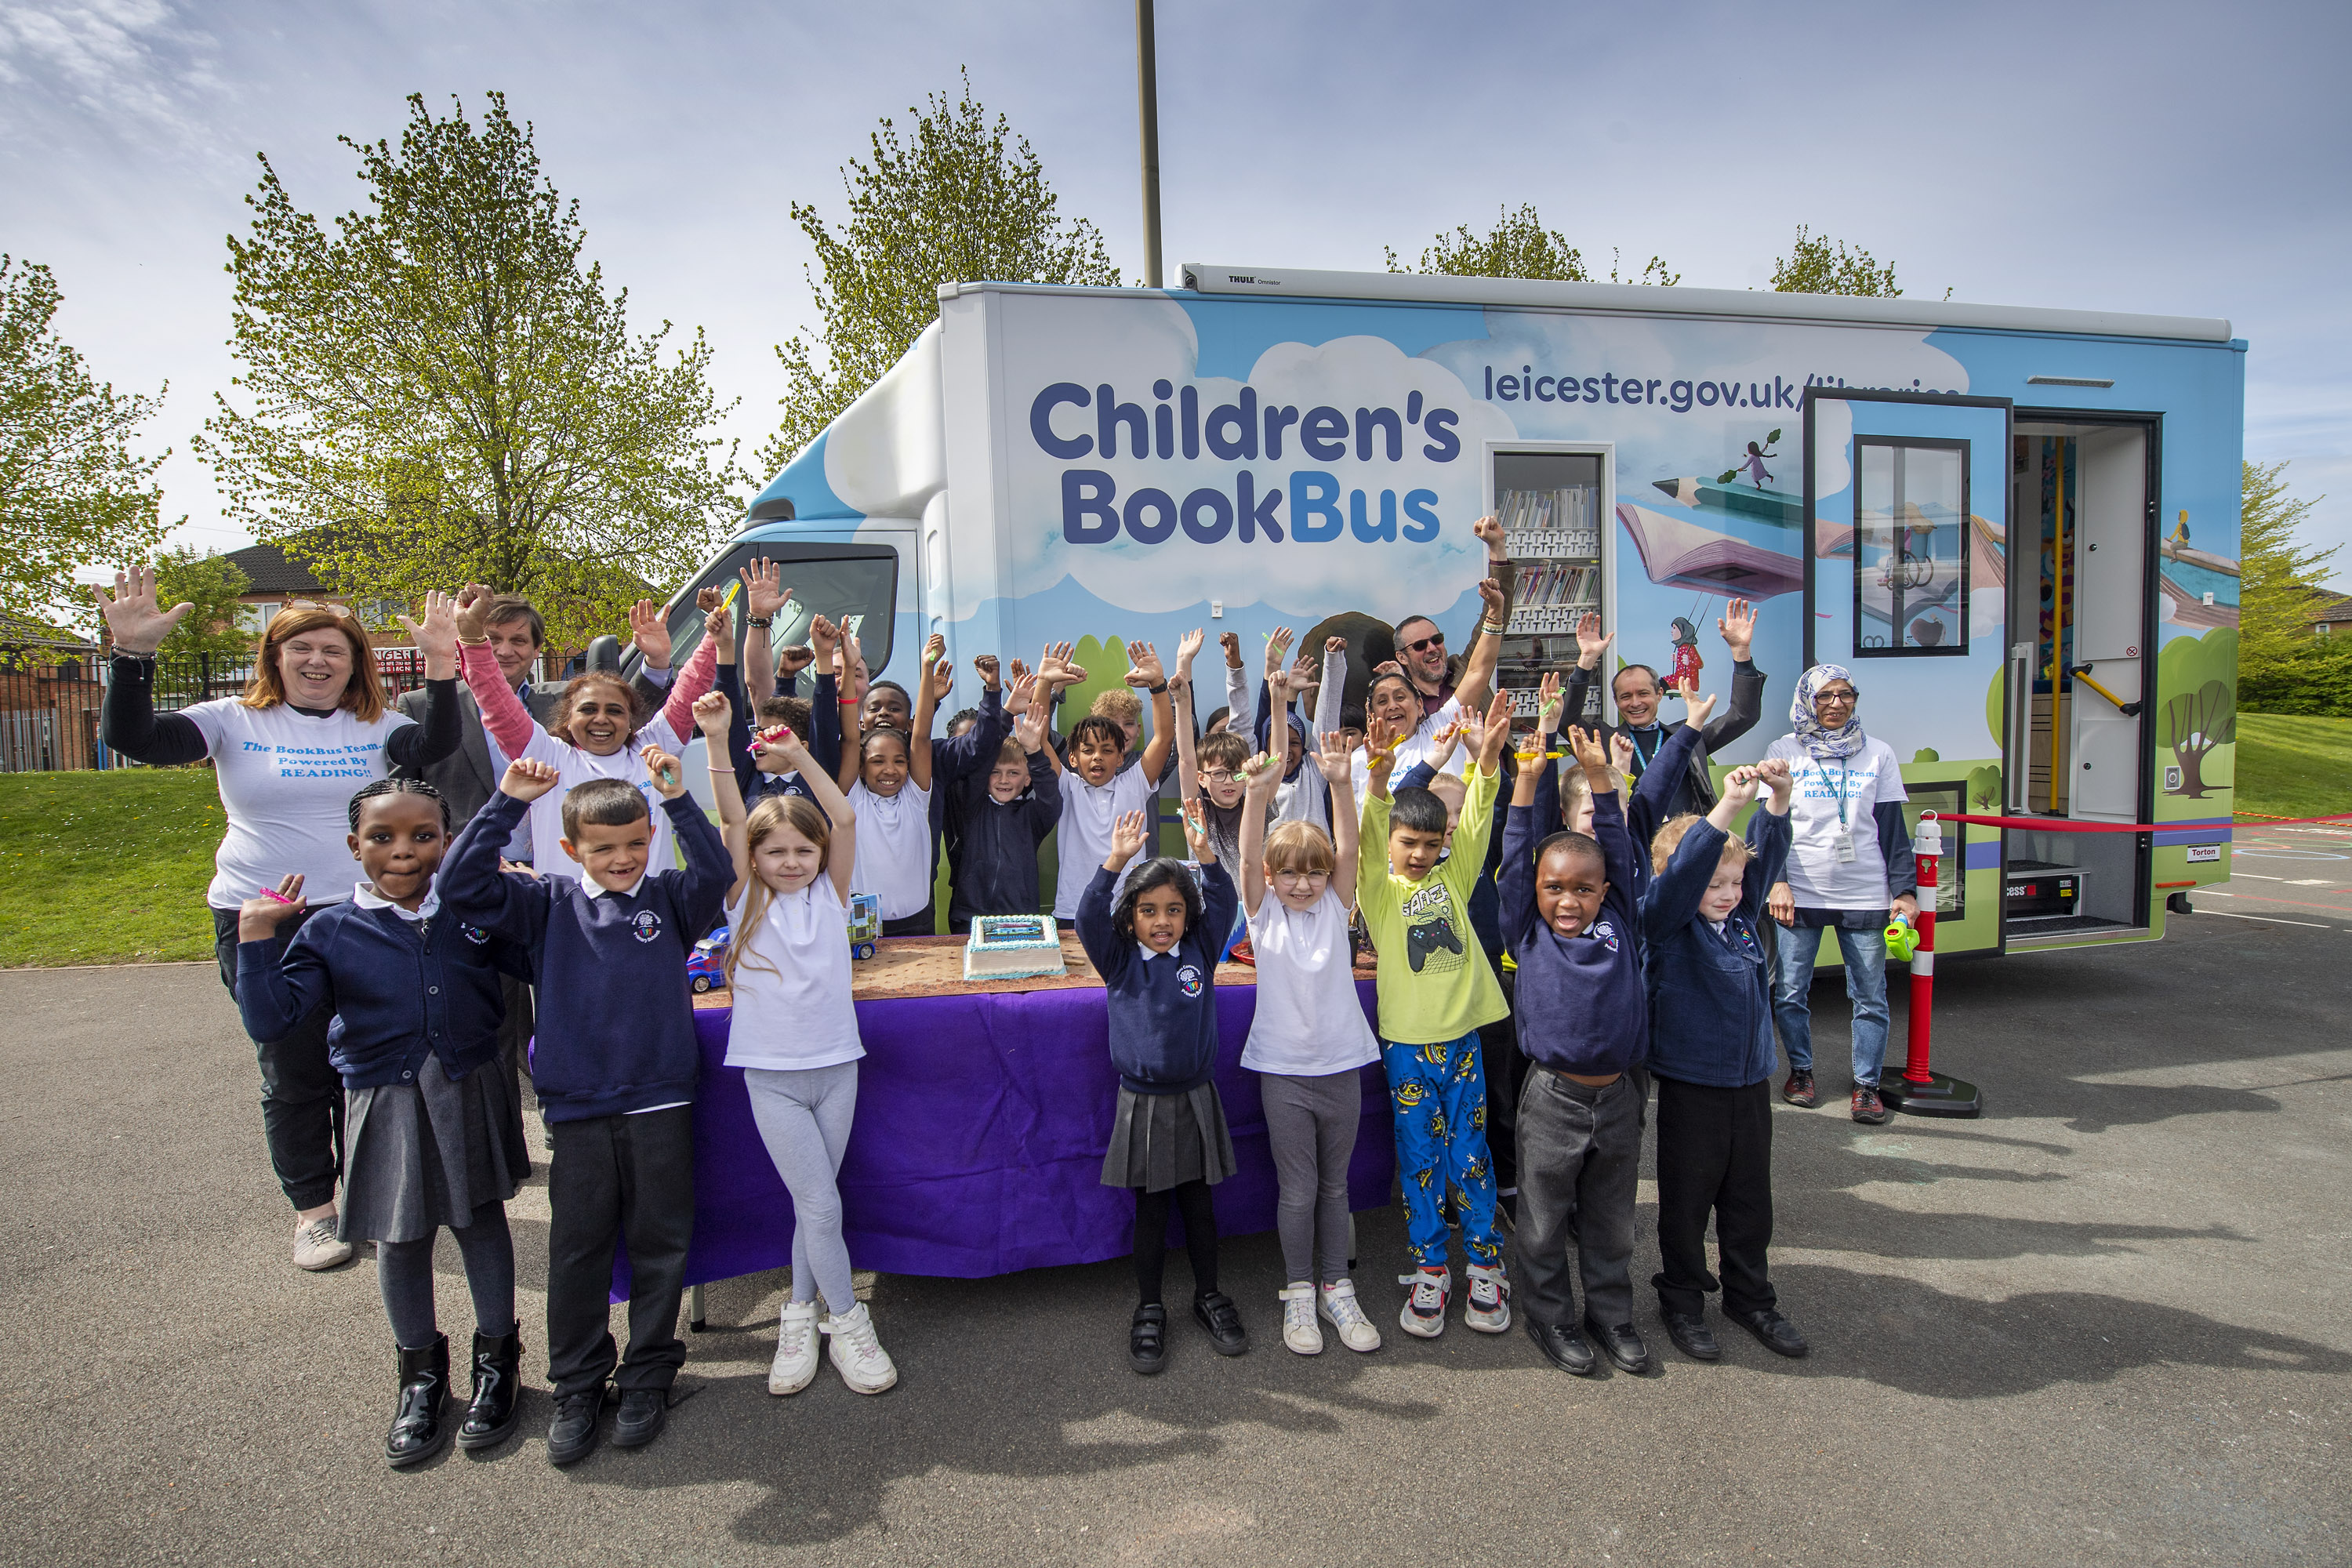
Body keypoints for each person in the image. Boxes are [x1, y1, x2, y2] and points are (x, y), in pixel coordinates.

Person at [96, 568, 465, 1270]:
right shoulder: (230, 720)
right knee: (292, 1068)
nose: (318, 662)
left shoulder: (378, 728)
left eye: (334, 650)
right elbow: (137, 738)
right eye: (302, 649)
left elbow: (436, 745)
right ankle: (315, 1214)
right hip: (263, 920)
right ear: (275, 658)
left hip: (362, 918)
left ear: (356, 663)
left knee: (366, 1060)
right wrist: (131, 659)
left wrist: (443, 668)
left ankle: (370, 1192)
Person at [437, 747, 731, 1466]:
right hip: (577, 1107)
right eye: (604, 848)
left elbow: (718, 875)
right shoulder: (544, 905)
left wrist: (677, 800)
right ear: (572, 850)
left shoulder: (668, 899)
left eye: (636, 844)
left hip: (660, 1099)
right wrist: (506, 801)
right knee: (579, 1249)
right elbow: (461, 886)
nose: (624, 857)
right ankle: (577, 1382)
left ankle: (649, 1373)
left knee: (662, 1240)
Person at [233, 779, 532, 1466]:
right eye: (382, 837)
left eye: (423, 836)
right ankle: (421, 1378)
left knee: (480, 1218)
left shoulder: (469, 911)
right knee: (400, 1238)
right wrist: (255, 935)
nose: (404, 851)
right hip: (385, 1095)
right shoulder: (329, 930)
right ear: (353, 846)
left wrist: (517, 896)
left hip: (470, 1085)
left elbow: (542, 958)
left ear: (448, 843)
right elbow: (273, 1019)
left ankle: (499, 1362)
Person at [695, 691, 898, 1397]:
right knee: (819, 1206)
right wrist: (718, 742)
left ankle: (797, 1314)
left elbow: (840, 813)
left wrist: (798, 756)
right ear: (752, 859)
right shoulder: (745, 902)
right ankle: (846, 1321)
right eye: (774, 851)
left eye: (802, 851)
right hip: (772, 1078)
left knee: (818, 1205)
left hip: (838, 1068)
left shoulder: (832, 898)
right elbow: (728, 815)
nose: (790, 861)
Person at [1358, 691, 1516, 1340]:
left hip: (1463, 1045)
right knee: (1419, 1157)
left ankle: (1484, 1263)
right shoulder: (1377, 890)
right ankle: (1431, 1267)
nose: (1419, 854)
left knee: (1471, 1155)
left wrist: (1489, 761)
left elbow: (1478, 818)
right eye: (1408, 843)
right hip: (1405, 1050)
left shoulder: (1456, 877)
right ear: (1392, 843)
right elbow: (1366, 837)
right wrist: (1375, 773)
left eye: (1430, 843)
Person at [1640, 760, 1806, 1364]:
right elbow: (1681, 883)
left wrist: (1778, 801)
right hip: (1693, 1087)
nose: (1729, 895)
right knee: (1686, 1203)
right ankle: (1682, 1299)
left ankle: (1750, 1296)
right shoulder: (1668, 924)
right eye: (1714, 885)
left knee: (1748, 1201)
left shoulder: (1737, 920)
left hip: (1748, 1085)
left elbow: (1765, 860)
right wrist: (1726, 809)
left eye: (1734, 883)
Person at [1502, 706, 1651, 1377]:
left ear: (1605, 892)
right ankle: (1551, 1316)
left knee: (1611, 1219)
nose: (1569, 900)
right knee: (1540, 1219)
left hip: (1618, 1097)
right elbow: (1511, 861)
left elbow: (1618, 852)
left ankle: (1611, 1316)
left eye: (1583, 889)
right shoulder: (1527, 931)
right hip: (1553, 1098)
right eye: (1555, 888)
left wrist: (1603, 785)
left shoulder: (1619, 920)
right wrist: (1528, 783)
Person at [1076, 806, 1247, 1375]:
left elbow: (1222, 902)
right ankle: (1149, 1306)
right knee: (1150, 1211)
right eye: (1149, 911)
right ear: (1130, 919)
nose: (1162, 921)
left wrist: (1204, 854)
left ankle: (1208, 1294)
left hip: (1197, 1096)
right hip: (1142, 1103)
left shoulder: (1199, 953)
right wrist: (1116, 860)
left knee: (1200, 1205)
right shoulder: (1120, 961)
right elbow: (1086, 920)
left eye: (1174, 910)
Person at [1236, 731, 1384, 1356]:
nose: (1303, 885)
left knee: (1335, 1188)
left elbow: (1348, 848)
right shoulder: (1262, 912)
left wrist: (1344, 784)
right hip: (1282, 1073)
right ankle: (1298, 1292)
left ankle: (1336, 1287)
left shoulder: (1336, 908)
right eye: (1290, 875)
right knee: (1296, 1189)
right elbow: (1245, 860)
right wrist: (1254, 798)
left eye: (1314, 874)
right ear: (1272, 879)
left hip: (1342, 1068)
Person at [453, 583, 720, 887]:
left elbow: (692, 688)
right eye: (589, 709)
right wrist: (473, 639)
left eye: (616, 711)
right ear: (567, 720)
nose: (602, 719)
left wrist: (714, 627)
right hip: (570, 918)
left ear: (632, 721)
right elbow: (496, 702)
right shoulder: (546, 757)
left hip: (649, 916)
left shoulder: (650, 751)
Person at [1761, 665, 1918, 1122]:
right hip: (1800, 893)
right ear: (1807, 699)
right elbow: (1773, 827)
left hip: (1867, 894)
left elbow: (1893, 830)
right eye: (1825, 695)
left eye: (1845, 694)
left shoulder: (1878, 754)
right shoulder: (1783, 751)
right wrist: (1777, 880)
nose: (1835, 703)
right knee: (1790, 993)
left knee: (1869, 996)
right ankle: (1802, 1072)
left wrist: (1904, 892)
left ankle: (1867, 1085)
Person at [1558, 600, 1767, 820]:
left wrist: (1741, 652)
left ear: (1659, 694)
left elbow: (1744, 715)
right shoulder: (1606, 739)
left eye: (1643, 694)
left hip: (1688, 845)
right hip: (1632, 847)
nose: (1635, 702)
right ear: (1616, 701)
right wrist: (1587, 660)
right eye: (1626, 697)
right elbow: (1566, 722)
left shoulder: (1688, 737)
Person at [834, 633, 949, 937]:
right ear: (861, 767)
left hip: (918, 922)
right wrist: (848, 667)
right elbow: (848, 737)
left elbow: (921, 734)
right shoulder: (852, 797)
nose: (890, 770)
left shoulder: (915, 795)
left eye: (899, 761)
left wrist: (927, 667)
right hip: (864, 926)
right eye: (877, 761)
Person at [1051, 641, 1174, 926]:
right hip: (1072, 911)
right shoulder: (1066, 786)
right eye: (1088, 750)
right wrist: (1046, 685)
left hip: (1127, 910)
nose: (1097, 758)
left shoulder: (1134, 783)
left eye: (1107, 751)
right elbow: (1037, 738)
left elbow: (1165, 737)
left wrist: (1157, 684)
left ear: (1120, 758)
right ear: (1072, 757)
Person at [945, 677, 1062, 931]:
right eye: (995, 772)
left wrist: (1034, 751)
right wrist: (1005, 714)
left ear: (1027, 778)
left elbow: (1052, 798)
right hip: (969, 917)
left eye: (1013, 773)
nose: (1003, 780)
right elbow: (980, 758)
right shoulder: (972, 807)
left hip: (1019, 918)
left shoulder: (1032, 816)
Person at [1388, 516, 1515, 720]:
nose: (1432, 648)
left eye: (1436, 640)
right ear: (1402, 657)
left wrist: (1497, 546)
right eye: (1420, 645)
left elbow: (1497, 611)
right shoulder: (1400, 703)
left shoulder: (1464, 670)